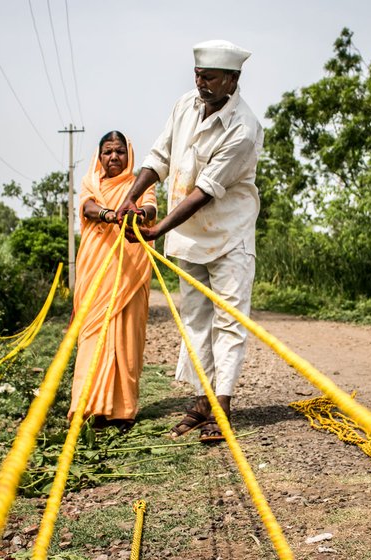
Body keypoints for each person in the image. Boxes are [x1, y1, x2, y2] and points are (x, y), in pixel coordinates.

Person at [117, 40, 263, 443]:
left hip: (229, 236)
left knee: (229, 322)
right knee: (196, 320)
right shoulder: (185, 105)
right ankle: (202, 400)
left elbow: (204, 191)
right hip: (189, 238)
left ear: (233, 80)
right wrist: (130, 197)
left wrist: (157, 228)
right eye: (197, 74)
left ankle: (223, 405)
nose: (201, 83)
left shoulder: (244, 129)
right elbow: (159, 157)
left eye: (210, 77)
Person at [67, 130, 158, 432]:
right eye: (108, 152)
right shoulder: (90, 182)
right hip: (95, 272)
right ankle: (88, 406)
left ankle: (122, 411)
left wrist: (138, 212)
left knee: (127, 339)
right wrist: (110, 214)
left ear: (128, 155)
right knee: (92, 338)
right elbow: (88, 208)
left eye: (120, 151)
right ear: (99, 155)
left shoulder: (139, 184)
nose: (114, 157)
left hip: (130, 272)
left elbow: (151, 207)